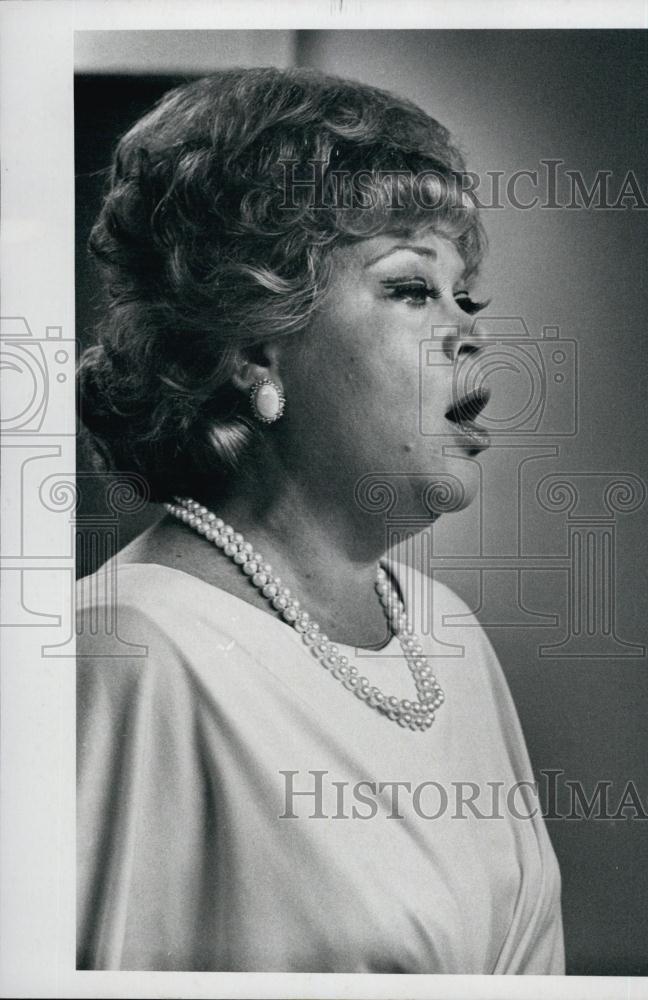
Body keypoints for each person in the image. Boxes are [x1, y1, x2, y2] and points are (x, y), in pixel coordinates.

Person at [76, 66, 564, 973]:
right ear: (257, 348)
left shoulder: (447, 635)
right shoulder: (128, 651)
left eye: (469, 296)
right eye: (413, 289)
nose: (468, 329)